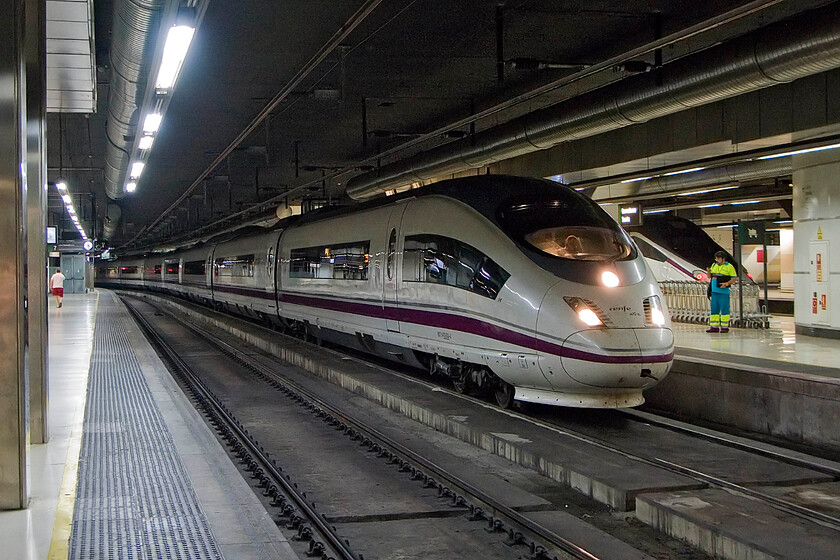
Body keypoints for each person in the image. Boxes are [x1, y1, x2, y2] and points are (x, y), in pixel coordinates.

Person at [706, 251, 737, 333]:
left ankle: (724, 327)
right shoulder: (714, 265)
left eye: (718, 258)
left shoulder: (729, 267)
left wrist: (726, 284)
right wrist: (708, 271)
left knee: (724, 309)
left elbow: (734, 278)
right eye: (716, 258)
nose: (717, 260)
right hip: (714, 291)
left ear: (723, 259)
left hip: (723, 292)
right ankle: (714, 327)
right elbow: (709, 277)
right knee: (714, 309)